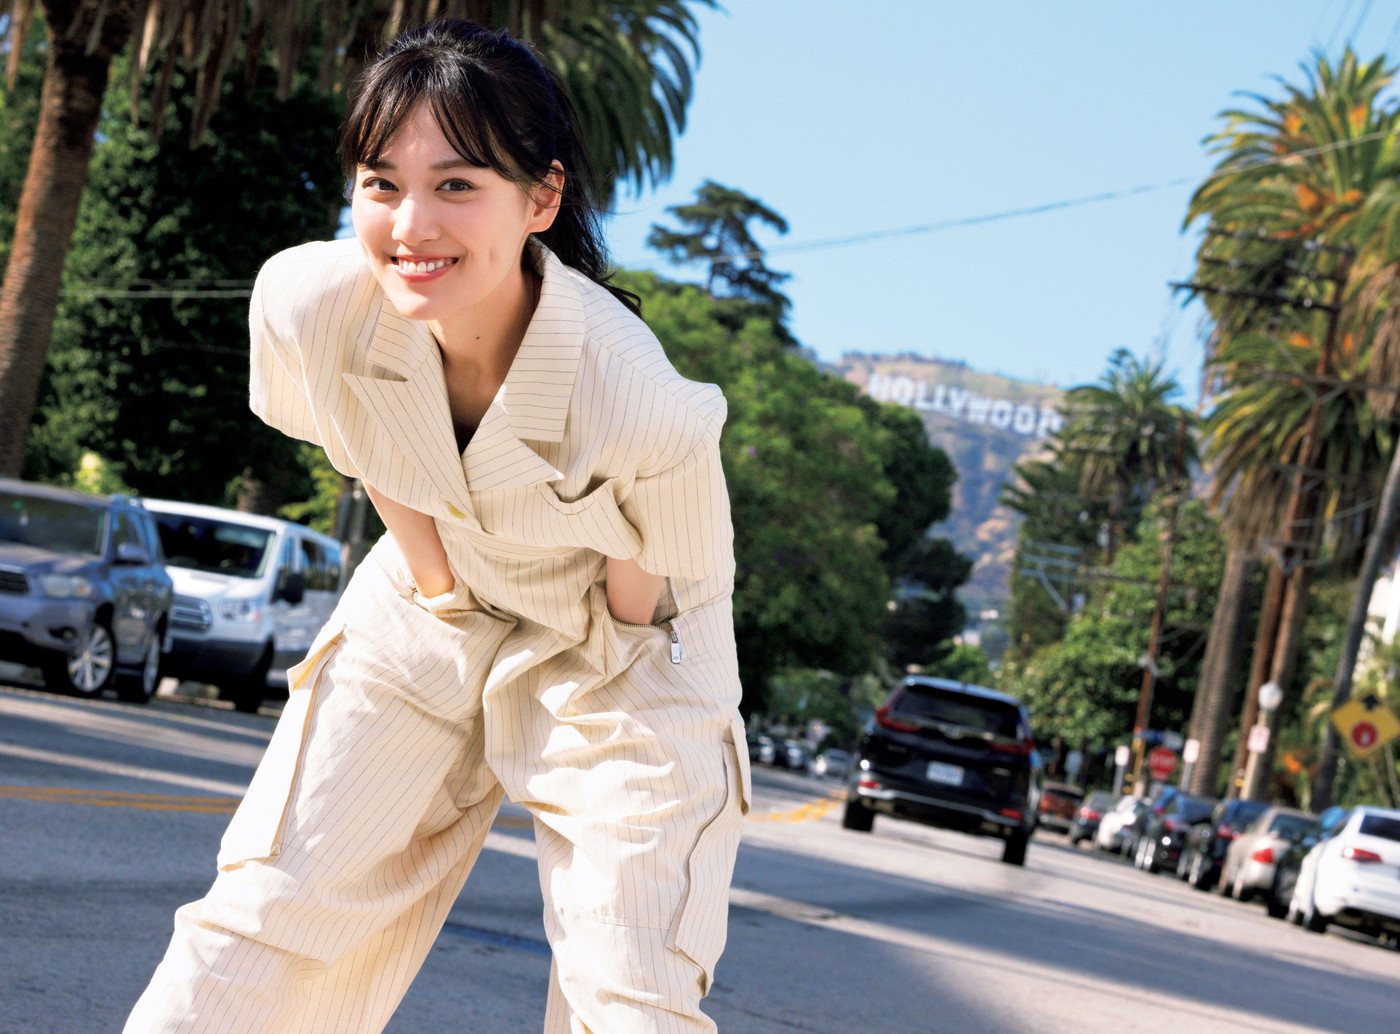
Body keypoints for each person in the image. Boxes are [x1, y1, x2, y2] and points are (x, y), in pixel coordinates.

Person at [123, 19, 749, 1034]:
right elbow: (369, 444)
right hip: (433, 590)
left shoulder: (637, 394)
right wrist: (442, 592)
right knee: (269, 905)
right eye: (381, 183)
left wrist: (583, 689)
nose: (411, 225)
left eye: (456, 184)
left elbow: (649, 581)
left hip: (623, 643)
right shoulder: (308, 302)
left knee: (627, 981)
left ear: (540, 198)